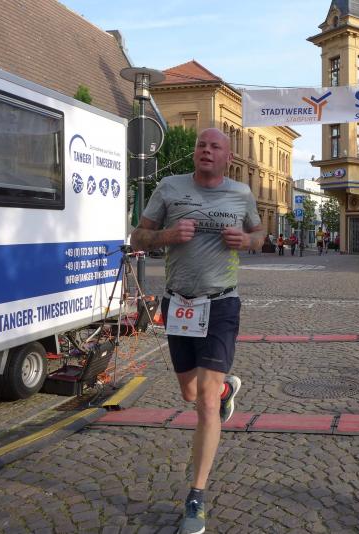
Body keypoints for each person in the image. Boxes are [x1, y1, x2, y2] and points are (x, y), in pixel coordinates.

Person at [130, 128, 264, 534]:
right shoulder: (169, 188)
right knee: (190, 393)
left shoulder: (241, 194)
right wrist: (166, 236)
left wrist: (247, 240)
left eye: (215, 146)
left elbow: (261, 236)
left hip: (221, 302)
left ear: (228, 158)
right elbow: (137, 236)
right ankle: (224, 391)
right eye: (201, 145)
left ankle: (196, 495)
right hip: (179, 304)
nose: (206, 150)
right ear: (195, 154)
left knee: (203, 402)